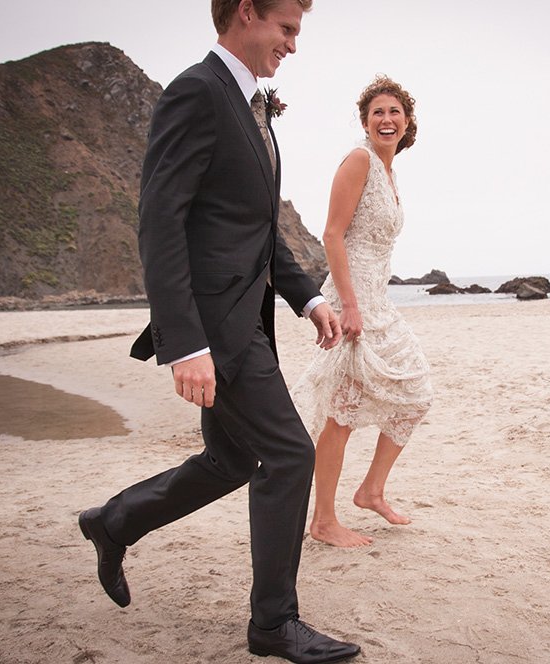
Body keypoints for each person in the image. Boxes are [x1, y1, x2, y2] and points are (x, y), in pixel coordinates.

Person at [77, 2, 361, 662]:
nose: (293, 44)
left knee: (232, 460)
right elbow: (160, 222)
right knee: (290, 453)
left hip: (244, 319)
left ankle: (114, 521)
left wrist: (306, 298)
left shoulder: (251, 104)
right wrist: (186, 344)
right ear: (245, 13)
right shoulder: (197, 92)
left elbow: (254, 229)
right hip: (217, 329)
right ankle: (273, 624)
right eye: (286, 28)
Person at [291, 76, 433, 548]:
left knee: (415, 393)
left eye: (395, 112)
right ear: (365, 121)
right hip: (350, 302)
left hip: (378, 301)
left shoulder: (390, 172)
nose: (386, 120)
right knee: (341, 412)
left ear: (408, 122)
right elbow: (333, 235)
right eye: (378, 113)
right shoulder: (359, 161)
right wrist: (348, 306)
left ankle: (371, 490)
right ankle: (324, 520)